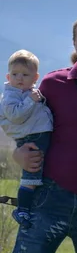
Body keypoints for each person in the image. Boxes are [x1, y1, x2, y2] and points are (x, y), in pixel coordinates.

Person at [11, 12, 77, 253]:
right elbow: (27, 125)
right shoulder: (52, 84)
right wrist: (18, 153)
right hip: (49, 196)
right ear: (74, 44)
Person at [0, 50, 53, 228]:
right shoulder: (11, 95)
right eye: (15, 74)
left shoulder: (30, 92)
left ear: (35, 77)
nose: (19, 78)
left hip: (36, 134)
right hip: (30, 137)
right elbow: (15, 116)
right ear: (8, 75)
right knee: (31, 175)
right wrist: (31, 100)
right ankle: (22, 210)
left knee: (38, 174)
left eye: (25, 74)